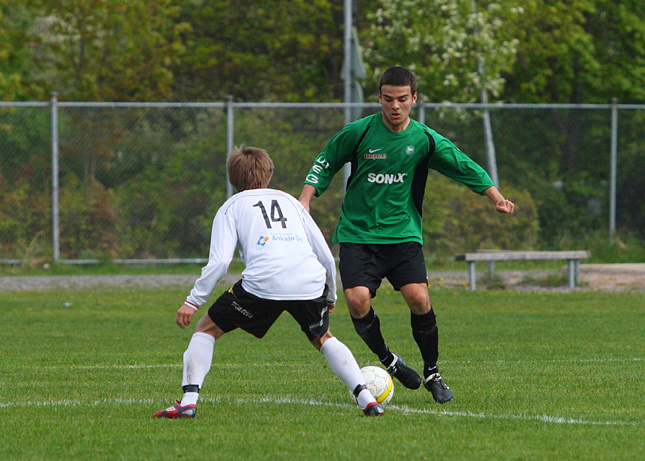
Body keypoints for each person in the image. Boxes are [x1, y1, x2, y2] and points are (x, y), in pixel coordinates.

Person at [298, 66, 515, 404]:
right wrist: (305, 199)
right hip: (359, 234)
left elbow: (463, 164)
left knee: (419, 298)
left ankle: (432, 372)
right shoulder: (358, 133)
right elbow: (326, 162)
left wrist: (496, 196)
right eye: (388, 99)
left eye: (402, 99)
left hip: (403, 235)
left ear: (414, 98)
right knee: (356, 301)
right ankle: (389, 360)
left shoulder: (424, 139)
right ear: (379, 99)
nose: (395, 106)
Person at [154, 145, 384, 418]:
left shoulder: (231, 207)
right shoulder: (291, 202)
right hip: (308, 281)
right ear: (268, 174)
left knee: (206, 330)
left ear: (232, 178)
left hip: (263, 283)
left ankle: (188, 402)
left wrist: (192, 301)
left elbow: (219, 262)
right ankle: (368, 399)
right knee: (322, 337)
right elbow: (324, 252)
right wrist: (330, 295)